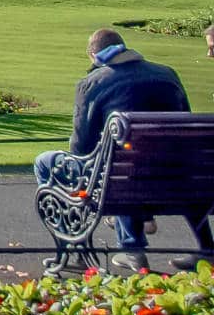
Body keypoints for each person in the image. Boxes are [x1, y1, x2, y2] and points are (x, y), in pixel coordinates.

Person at [36, 28, 212, 273]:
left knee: (47, 162)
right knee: (130, 159)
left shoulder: (93, 83)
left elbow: (80, 147)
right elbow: (187, 123)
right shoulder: (167, 75)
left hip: (121, 184)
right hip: (180, 182)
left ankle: (99, 250)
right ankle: (207, 249)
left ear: (93, 55)